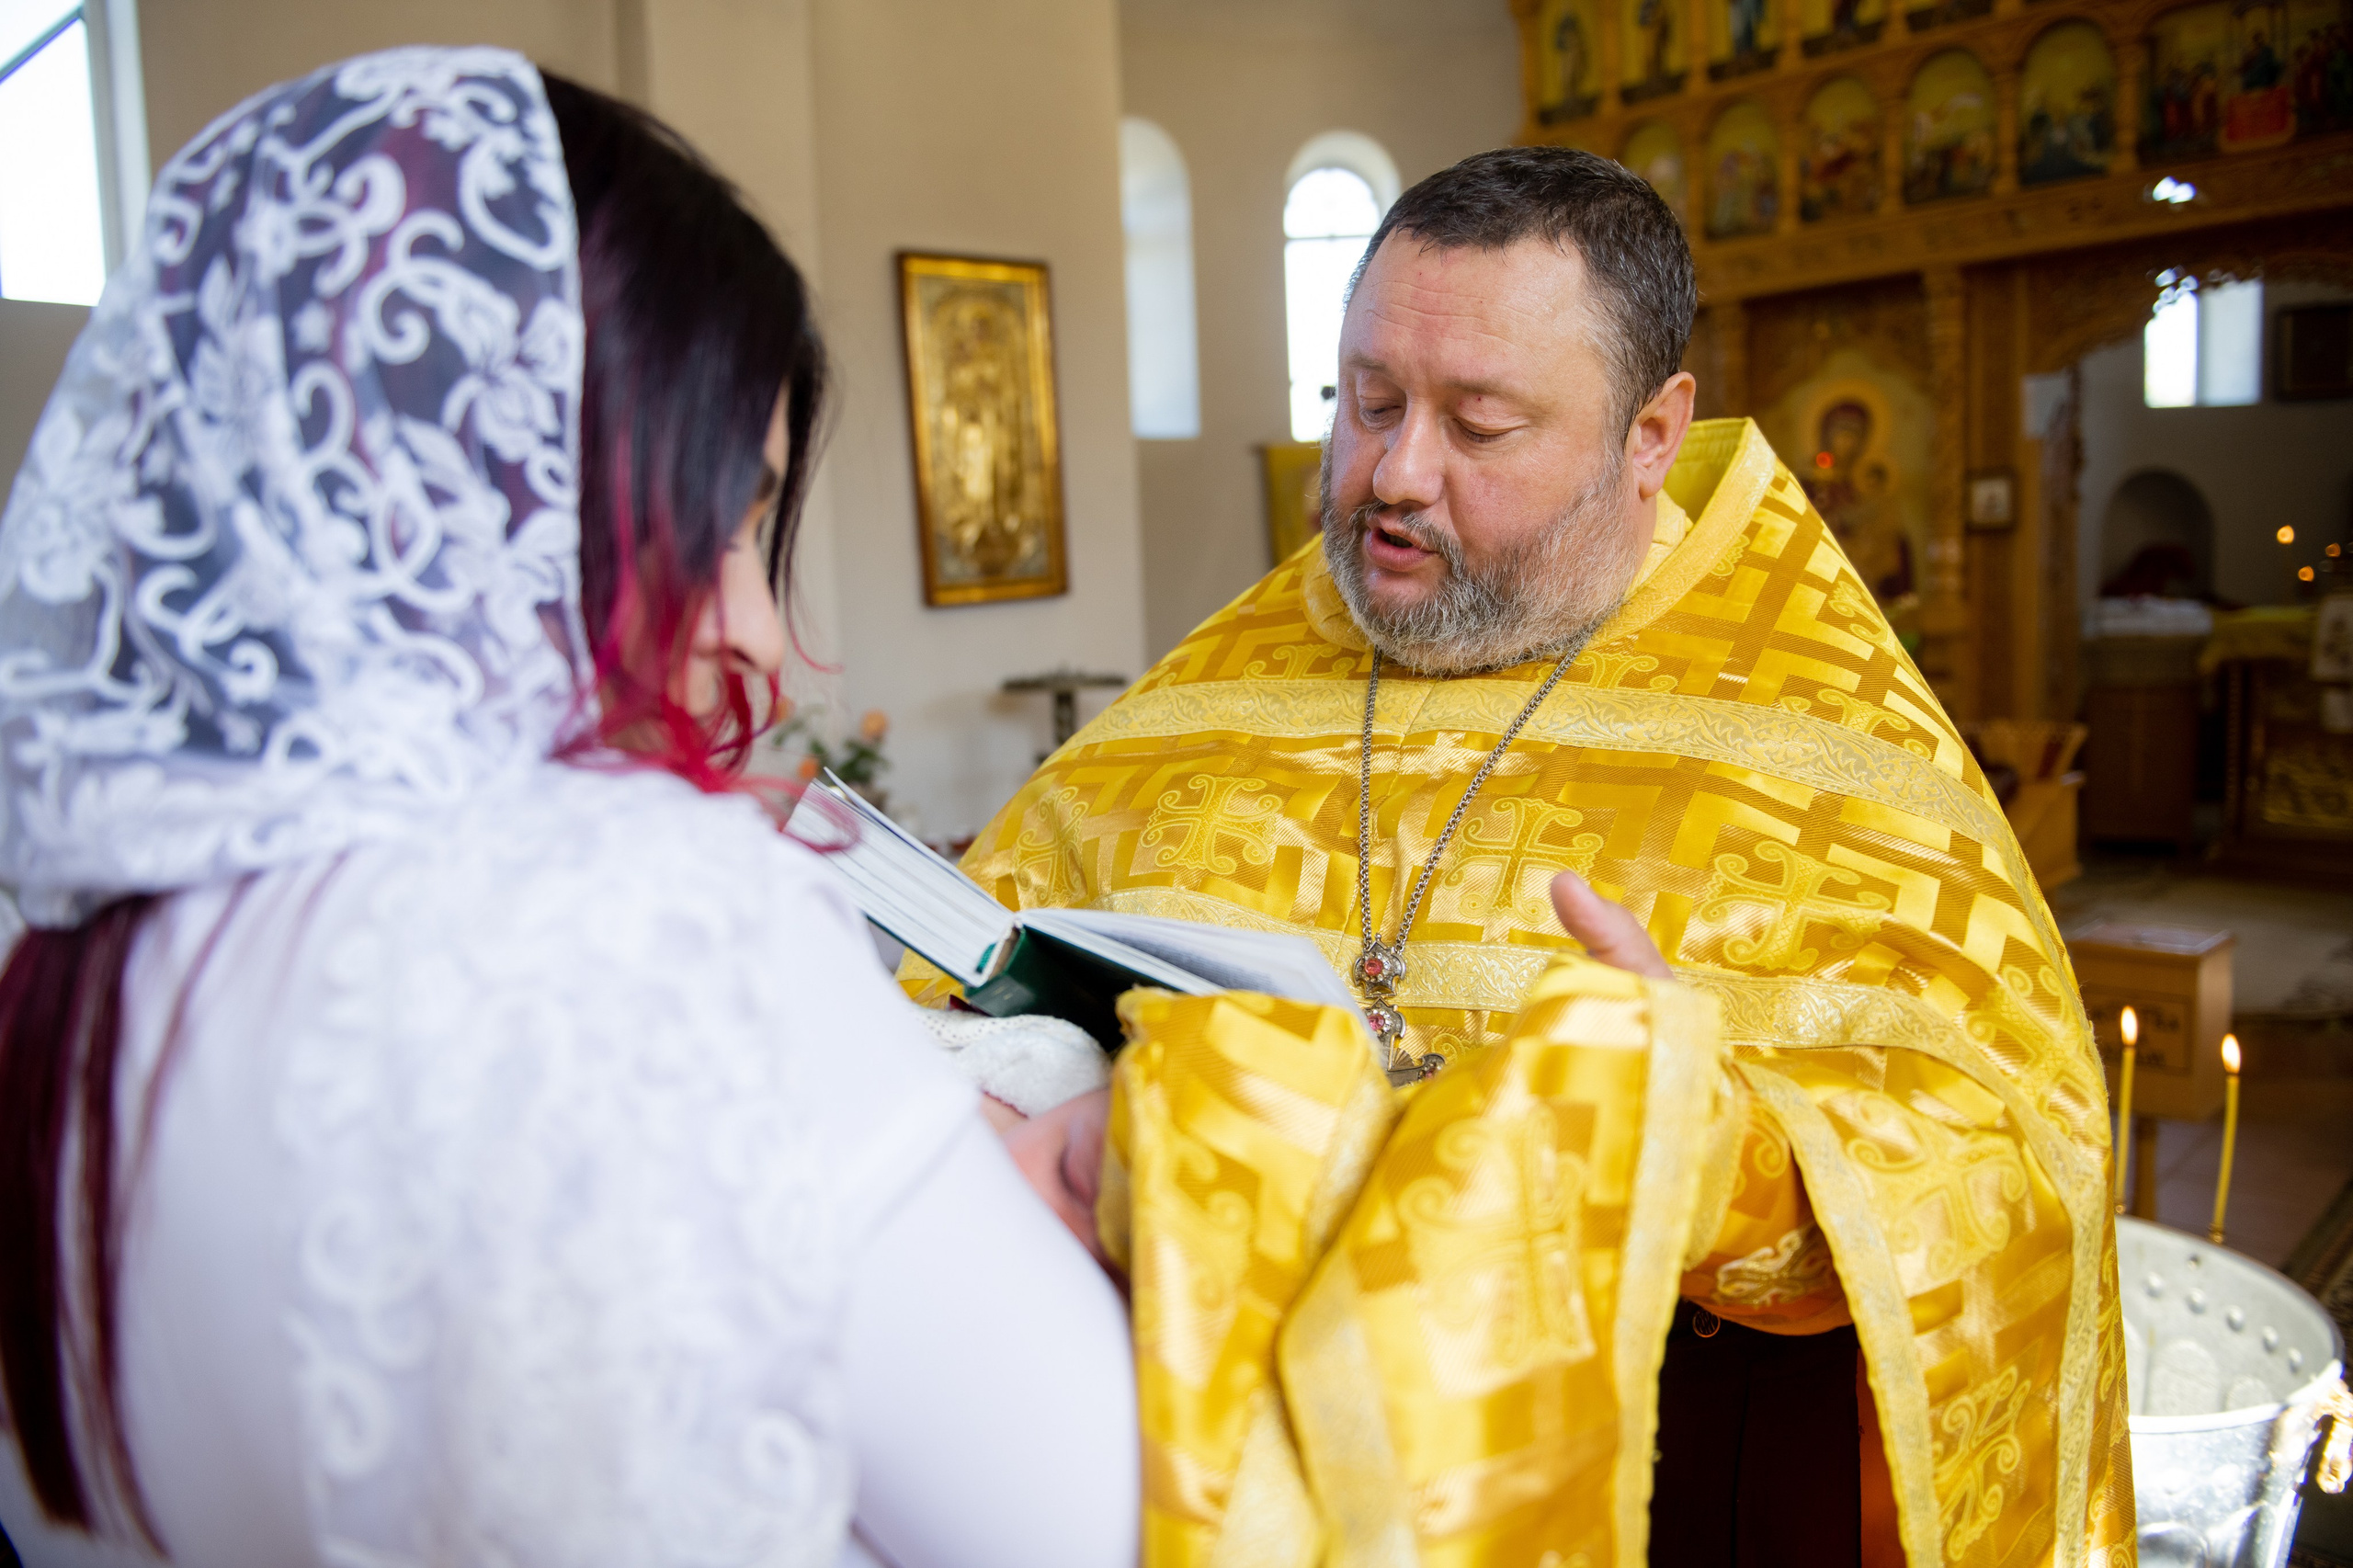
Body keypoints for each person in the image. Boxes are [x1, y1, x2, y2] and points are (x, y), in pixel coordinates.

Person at [915, 147, 2133, 1564]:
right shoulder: (1230, 673)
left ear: (1652, 433)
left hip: (1658, 1474)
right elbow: (970, 959)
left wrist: (1706, 1147)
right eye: (1367, 403)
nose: (1394, 475)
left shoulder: (1832, 736)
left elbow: (2009, 1153)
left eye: (1480, 425)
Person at [0, 51, 1135, 1568]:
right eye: (729, 523)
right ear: (508, 499)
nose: (762, 631)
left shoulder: (67, 964)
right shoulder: (652, 916)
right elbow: (1100, 1526)